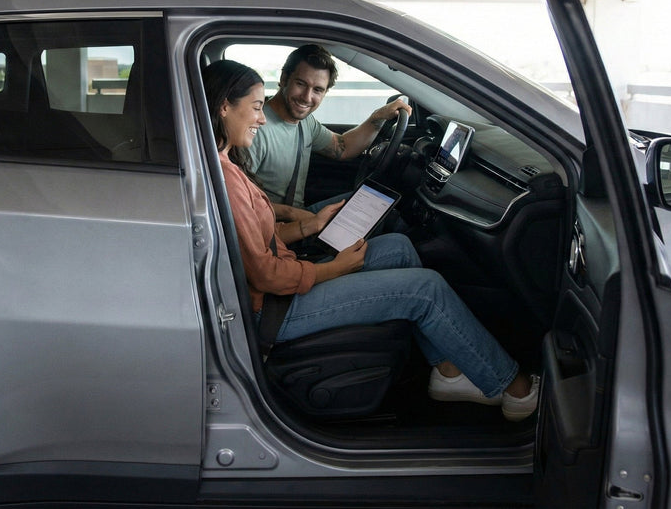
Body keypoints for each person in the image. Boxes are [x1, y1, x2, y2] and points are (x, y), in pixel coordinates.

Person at [203, 58, 539, 420]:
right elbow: (266, 275)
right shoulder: (228, 178)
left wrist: (311, 224)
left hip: (280, 284)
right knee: (424, 290)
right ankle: (513, 388)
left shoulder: (226, 165)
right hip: (272, 310)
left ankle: (448, 371)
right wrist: (333, 268)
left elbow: (260, 241)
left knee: (398, 248)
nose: (261, 117)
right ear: (224, 107)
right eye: (255, 108)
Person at [247, 44, 411, 224]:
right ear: (284, 78)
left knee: (378, 206)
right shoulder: (255, 128)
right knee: (398, 243)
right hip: (271, 230)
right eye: (301, 84)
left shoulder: (304, 122)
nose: (307, 97)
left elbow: (342, 147)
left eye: (317, 90)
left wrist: (377, 118)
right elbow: (239, 203)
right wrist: (293, 215)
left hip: (298, 217)